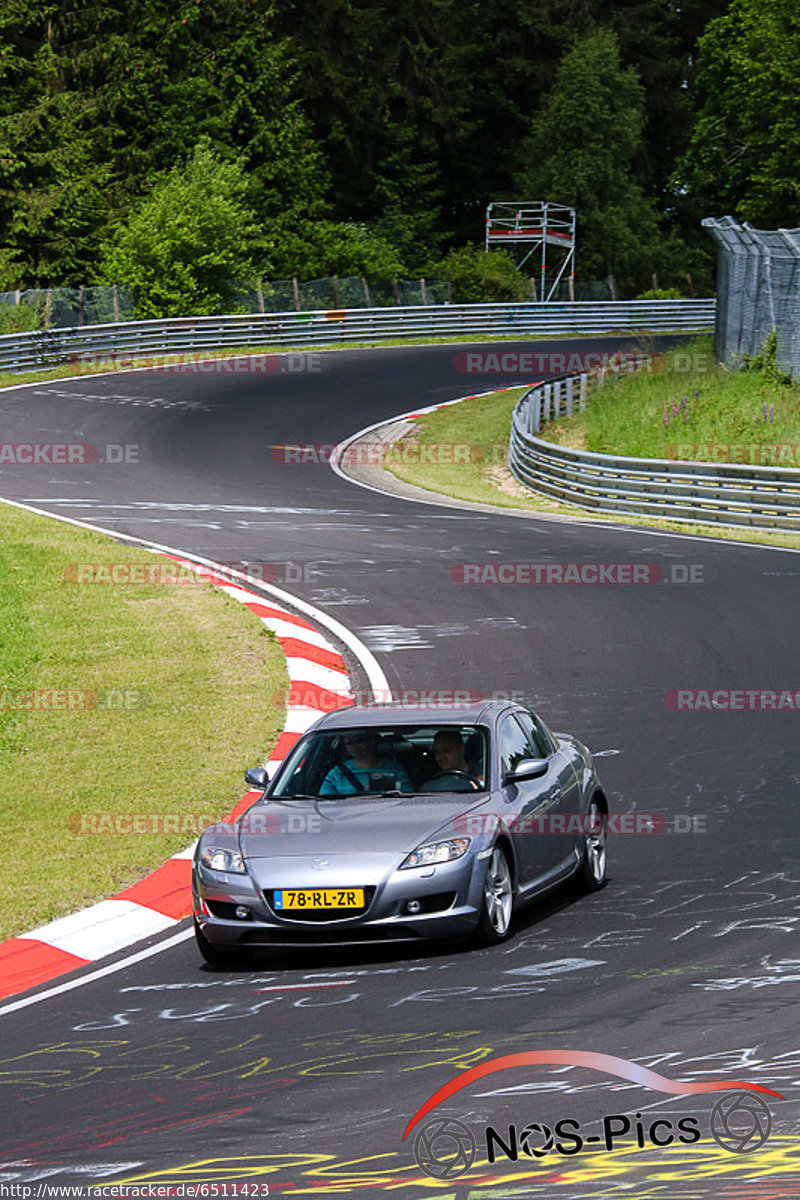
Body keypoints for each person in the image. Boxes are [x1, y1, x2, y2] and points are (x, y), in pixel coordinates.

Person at [320, 729, 413, 796]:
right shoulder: (337, 773)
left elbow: (407, 798)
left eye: (358, 741)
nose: (354, 746)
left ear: (371, 741)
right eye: (348, 742)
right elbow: (324, 802)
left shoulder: (395, 769)